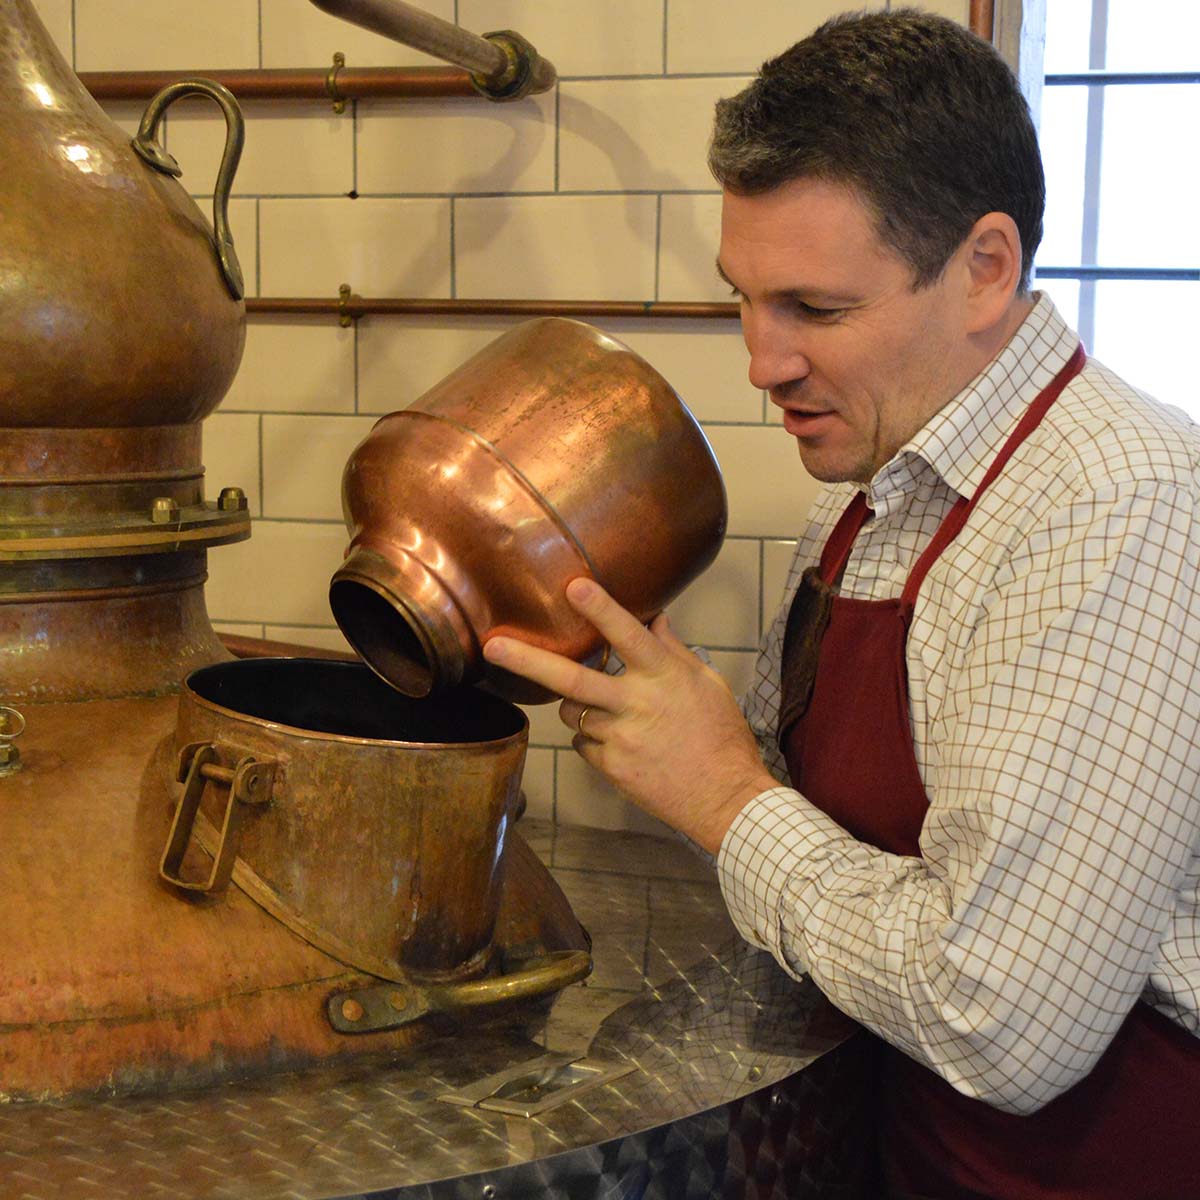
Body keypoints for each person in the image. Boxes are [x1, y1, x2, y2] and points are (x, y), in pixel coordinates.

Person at [482, 10, 1200, 1198]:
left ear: (984, 270)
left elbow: (1002, 1022)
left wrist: (720, 792)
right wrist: (671, 721)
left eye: (814, 311)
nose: (762, 361)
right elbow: (820, 821)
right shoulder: (876, 495)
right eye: (747, 300)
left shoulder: (1118, 507)